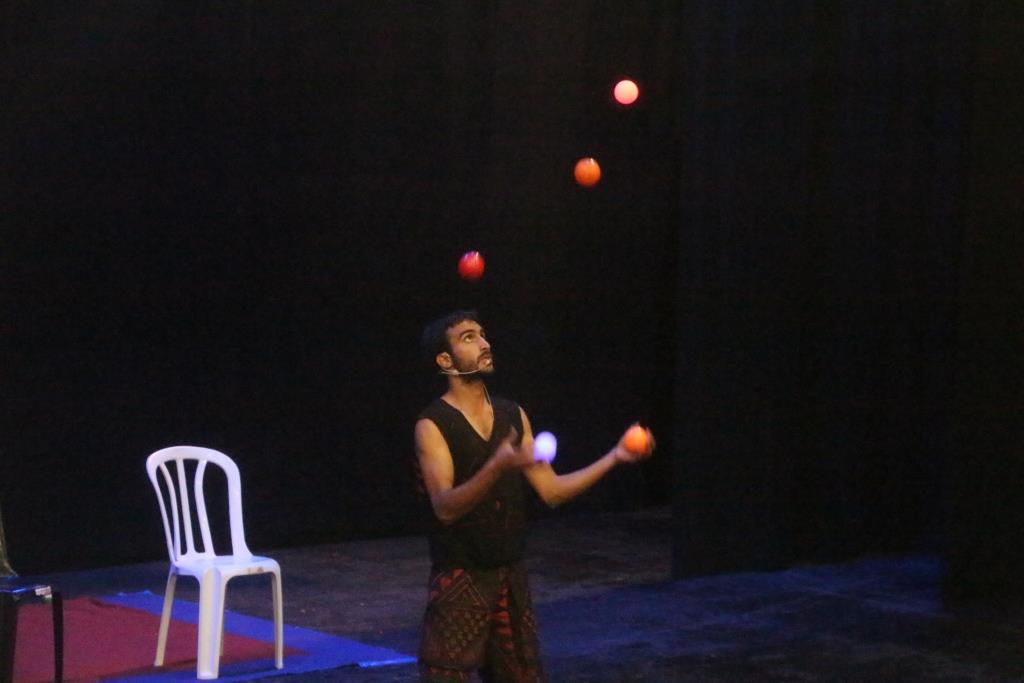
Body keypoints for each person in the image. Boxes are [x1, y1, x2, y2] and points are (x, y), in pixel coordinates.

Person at [414, 310, 655, 682]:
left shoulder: (513, 415)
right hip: (460, 577)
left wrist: (615, 457)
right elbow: (444, 508)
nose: (484, 343)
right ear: (445, 361)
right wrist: (496, 466)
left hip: (509, 578)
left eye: (483, 334)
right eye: (468, 338)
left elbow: (552, 492)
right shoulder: (432, 425)